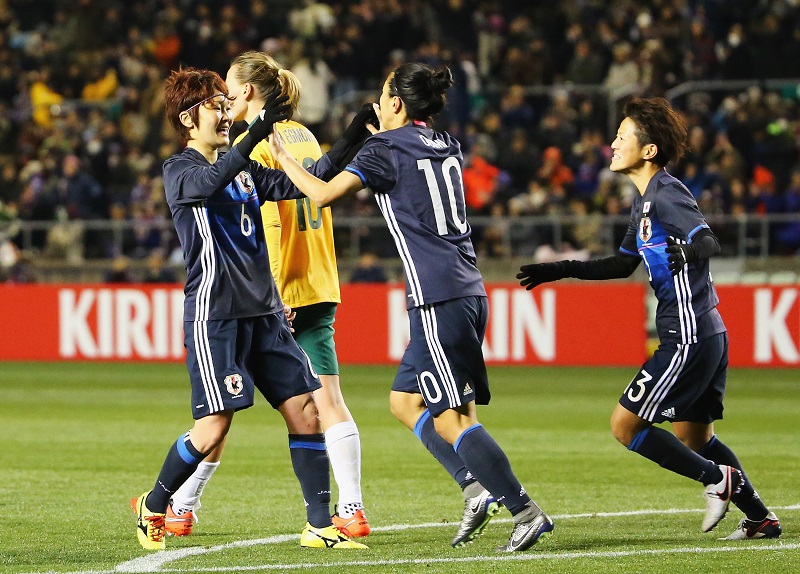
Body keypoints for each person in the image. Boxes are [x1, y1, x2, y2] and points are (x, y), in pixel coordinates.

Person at [269, 62, 553, 552]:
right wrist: (379, 140)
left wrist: (282, 159)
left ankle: (525, 511)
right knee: (405, 402)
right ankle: (474, 487)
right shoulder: (446, 143)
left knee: (453, 420)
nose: (377, 103)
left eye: (383, 95)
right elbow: (408, 169)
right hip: (466, 288)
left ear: (396, 102)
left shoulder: (384, 149)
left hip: (437, 297)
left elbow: (322, 194)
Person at [516, 97, 781, 540]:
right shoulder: (643, 203)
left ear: (649, 150)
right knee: (695, 437)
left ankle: (718, 480)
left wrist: (688, 251)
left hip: (688, 334)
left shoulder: (666, 193)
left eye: (622, 137)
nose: (613, 143)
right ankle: (760, 518)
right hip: (706, 331)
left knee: (625, 425)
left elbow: (708, 240)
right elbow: (623, 264)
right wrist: (562, 268)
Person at [130, 66, 367, 551]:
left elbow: (309, 182)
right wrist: (257, 131)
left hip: (264, 313)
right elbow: (211, 181)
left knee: (306, 411)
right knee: (213, 426)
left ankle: (318, 526)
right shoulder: (180, 171)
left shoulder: (242, 169)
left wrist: (352, 137)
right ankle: (153, 505)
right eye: (215, 108)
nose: (224, 114)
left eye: (226, 105)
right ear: (187, 119)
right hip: (215, 316)